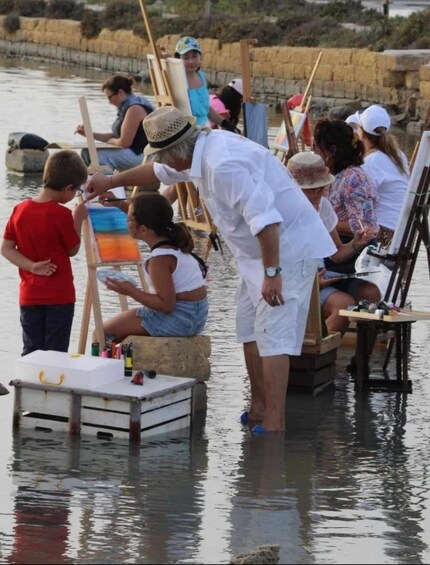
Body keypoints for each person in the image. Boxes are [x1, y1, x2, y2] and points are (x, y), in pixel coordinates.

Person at [85, 106, 336, 433]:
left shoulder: (222, 165)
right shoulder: (197, 151)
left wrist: (273, 275)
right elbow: (156, 172)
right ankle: (259, 406)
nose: (162, 163)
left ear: (175, 153)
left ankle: (275, 422)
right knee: (248, 328)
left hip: (285, 251)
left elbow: (267, 222)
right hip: (255, 254)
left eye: (163, 156)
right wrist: (112, 180)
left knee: (274, 338)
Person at [1, 150, 88, 355]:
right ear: (68, 188)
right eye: (76, 190)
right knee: (55, 353)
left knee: (31, 351)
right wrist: (79, 218)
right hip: (59, 296)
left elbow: (6, 248)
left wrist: (31, 266)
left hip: (29, 296)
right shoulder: (62, 215)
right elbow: (73, 249)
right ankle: (52, 386)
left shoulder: (19, 210)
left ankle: (28, 386)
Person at [287, 152, 380, 335]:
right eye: (313, 189)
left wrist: (356, 243)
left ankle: (358, 359)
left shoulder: (323, 206)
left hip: (319, 272)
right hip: (293, 277)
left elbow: (336, 253)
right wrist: (312, 282)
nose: (319, 193)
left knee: (371, 294)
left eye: (322, 187)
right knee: (343, 305)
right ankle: (315, 353)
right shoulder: (286, 212)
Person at [97, 192, 208, 342]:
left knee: (102, 333)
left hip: (180, 319)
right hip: (197, 316)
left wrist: (130, 290)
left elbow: (166, 305)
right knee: (123, 327)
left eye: (129, 219)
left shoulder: (159, 260)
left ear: (143, 230)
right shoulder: (171, 241)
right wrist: (119, 204)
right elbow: (148, 216)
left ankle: (107, 365)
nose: (126, 222)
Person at [312, 118, 380, 274]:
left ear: (332, 150)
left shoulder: (354, 179)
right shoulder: (332, 174)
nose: (313, 152)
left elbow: (363, 227)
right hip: (333, 247)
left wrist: (320, 221)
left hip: (352, 255)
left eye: (316, 148)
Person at [346, 105, 409, 248]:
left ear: (361, 133)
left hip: (384, 235)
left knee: (331, 223)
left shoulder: (371, 162)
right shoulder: (398, 154)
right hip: (401, 233)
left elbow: (357, 201)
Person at [75, 74, 154, 171]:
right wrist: (89, 134)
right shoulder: (126, 106)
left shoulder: (135, 108)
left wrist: (111, 142)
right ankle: (91, 180)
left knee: (98, 155)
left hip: (141, 155)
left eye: (110, 97)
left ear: (120, 93)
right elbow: (117, 136)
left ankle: (105, 182)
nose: (109, 102)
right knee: (86, 151)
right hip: (130, 151)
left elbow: (124, 142)